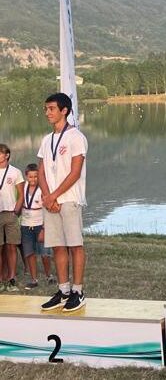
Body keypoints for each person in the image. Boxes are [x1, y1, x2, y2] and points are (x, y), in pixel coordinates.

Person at [38, 92, 88, 312]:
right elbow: (40, 171)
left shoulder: (76, 137)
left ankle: (78, 291)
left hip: (68, 199)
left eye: (51, 108)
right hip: (51, 201)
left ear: (64, 110)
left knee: (75, 245)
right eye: (46, 109)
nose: (47, 112)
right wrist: (48, 197)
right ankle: (64, 290)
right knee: (58, 246)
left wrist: (55, 196)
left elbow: (75, 172)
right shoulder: (46, 140)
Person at [21, 163, 56, 290]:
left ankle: (49, 276)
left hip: (39, 225)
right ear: (26, 177)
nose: (33, 179)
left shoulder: (42, 189)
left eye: (36, 177)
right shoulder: (23, 187)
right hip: (25, 225)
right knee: (29, 253)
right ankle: (34, 279)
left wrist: (44, 228)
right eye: (30, 177)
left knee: (44, 253)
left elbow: (47, 210)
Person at [0, 143, 25, 292]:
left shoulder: (15, 172)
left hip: (10, 213)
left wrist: (16, 210)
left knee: (11, 246)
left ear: (6, 155)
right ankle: (1, 279)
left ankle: (12, 278)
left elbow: (21, 194)